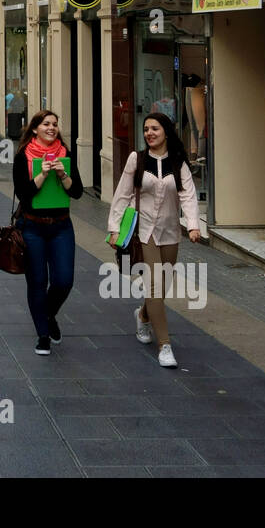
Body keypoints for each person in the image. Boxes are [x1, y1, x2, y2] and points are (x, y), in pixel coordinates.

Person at [108, 112, 201, 369]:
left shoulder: (178, 162)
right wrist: (114, 229)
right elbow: (122, 195)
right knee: (154, 287)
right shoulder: (136, 159)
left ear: (166, 132)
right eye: (146, 129)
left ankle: (142, 315)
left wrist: (193, 225)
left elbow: (188, 196)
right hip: (144, 231)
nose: (149, 133)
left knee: (163, 287)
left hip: (171, 232)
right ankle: (165, 346)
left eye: (155, 129)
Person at [14, 109, 83, 355]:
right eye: (46, 124)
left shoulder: (65, 154)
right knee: (37, 282)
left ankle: (48, 314)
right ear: (35, 128)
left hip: (61, 226)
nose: (52, 128)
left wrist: (63, 174)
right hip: (32, 226)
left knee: (64, 280)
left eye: (55, 124)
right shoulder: (23, 156)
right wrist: (42, 174)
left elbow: (77, 192)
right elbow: (23, 194)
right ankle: (43, 334)